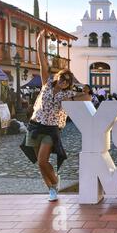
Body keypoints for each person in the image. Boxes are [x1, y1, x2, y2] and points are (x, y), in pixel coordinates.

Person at [20, 29, 91, 202]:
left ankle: (54, 183)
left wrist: (86, 92)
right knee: (40, 162)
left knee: (43, 160)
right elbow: (43, 62)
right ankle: (52, 187)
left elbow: (87, 97)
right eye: (62, 77)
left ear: (69, 83)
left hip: (51, 130)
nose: (64, 81)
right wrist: (38, 43)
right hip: (35, 126)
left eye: (68, 80)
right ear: (57, 77)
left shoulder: (67, 95)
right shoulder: (46, 85)